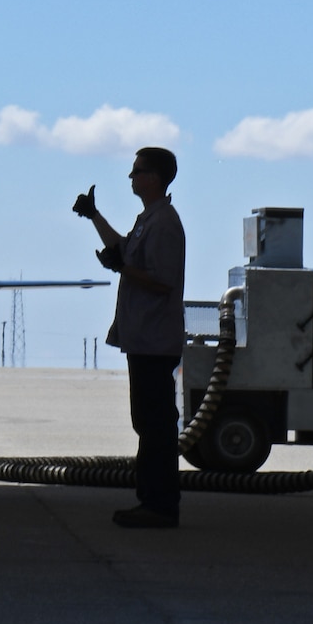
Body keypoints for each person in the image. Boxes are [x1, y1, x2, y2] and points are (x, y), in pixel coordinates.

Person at [73, 147, 186, 529]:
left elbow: (161, 280)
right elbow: (124, 250)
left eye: (137, 172)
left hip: (154, 341)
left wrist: (122, 268)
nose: (131, 178)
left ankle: (159, 504)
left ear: (153, 178)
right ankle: (153, 500)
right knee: (149, 422)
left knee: (155, 425)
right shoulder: (149, 220)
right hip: (143, 340)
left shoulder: (164, 224)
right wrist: (94, 217)